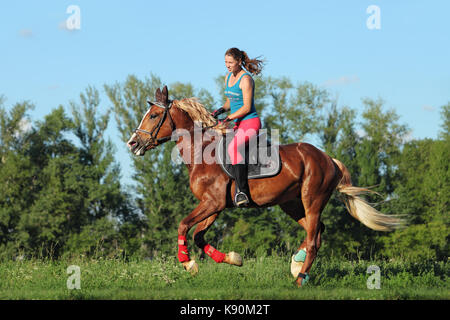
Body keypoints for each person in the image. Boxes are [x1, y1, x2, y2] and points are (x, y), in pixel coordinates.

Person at [212, 48, 264, 207]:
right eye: (226, 62)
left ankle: (242, 192)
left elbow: (247, 107)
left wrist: (229, 117)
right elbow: (231, 101)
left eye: (230, 62)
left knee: (234, 148)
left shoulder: (246, 79)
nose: (227, 65)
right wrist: (221, 110)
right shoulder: (228, 77)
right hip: (237, 123)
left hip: (250, 122)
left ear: (239, 62)